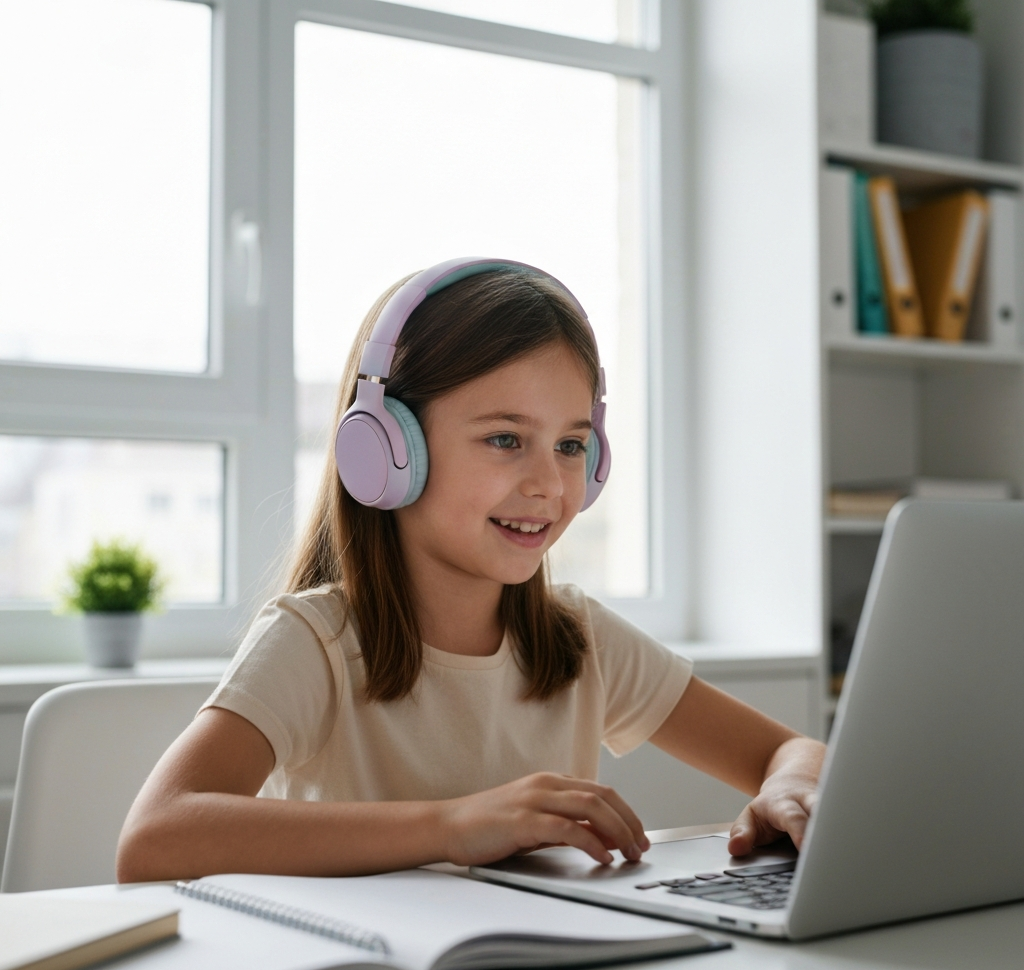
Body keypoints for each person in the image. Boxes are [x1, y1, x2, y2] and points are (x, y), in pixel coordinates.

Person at [117, 260, 825, 882]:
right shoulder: (317, 643)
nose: (550, 482)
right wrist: (455, 826)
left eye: (573, 445)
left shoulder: (579, 639)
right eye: (505, 439)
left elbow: (793, 749)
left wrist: (791, 787)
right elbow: (155, 838)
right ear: (387, 448)